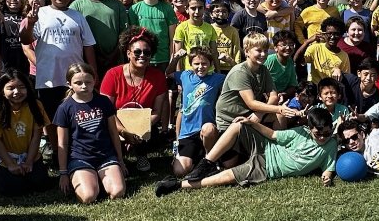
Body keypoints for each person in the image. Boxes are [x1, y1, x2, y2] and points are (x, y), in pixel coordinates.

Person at [157, 105, 339, 195]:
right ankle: (207, 162)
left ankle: (177, 185)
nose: (323, 137)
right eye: (318, 133)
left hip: (267, 167)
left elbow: (328, 167)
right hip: (265, 146)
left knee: (229, 176)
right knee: (239, 125)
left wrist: (327, 177)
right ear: (309, 128)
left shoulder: (330, 145)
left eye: (327, 133)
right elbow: (273, 135)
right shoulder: (300, 132)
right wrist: (251, 122)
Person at [19, 0, 97, 119]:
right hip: (48, 77)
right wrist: (30, 24)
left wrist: (93, 72)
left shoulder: (78, 16)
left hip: (74, 77)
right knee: (50, 117)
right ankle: (54, 135)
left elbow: (88, 46)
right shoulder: (40, 14)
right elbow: (25, 40)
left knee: (75, 116)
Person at [54, 61, 127, 203]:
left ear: (94, 81)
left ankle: (99, 178)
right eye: (78, 83)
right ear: (69, 84)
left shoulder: (103, 102)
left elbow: (114, 133)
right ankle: (89, 178)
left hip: (105, 156)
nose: (84, 86)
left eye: (88, 82)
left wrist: (120, 160)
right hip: (80, 158)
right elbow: (62, 143)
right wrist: (63, 173)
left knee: (118, 192)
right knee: (88, 197)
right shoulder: (64, 108)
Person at [100, 27, 170, 172]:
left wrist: (137, 130)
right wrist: (124, 131)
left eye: (147, 52)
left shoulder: (158, 77)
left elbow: (157, 112)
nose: (142, 55)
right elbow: (106, 110)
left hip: (143, 125)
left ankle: (141, 153)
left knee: (149, 134)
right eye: (137, 52)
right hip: (115, 123)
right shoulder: (112, 75)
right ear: (128, 53)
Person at [0, 70, 52, 196]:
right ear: (2, 90)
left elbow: (36, 136)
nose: (17, 92)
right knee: (14, 188)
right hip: (6, 157)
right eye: (10, 88)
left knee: (40, 183)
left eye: (21, 87)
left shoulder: (36, 105)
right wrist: (10, 164)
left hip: (30, 155)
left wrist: (29, 161)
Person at [215, 32, 300, 130]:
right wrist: (279, 109)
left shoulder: (264, 70)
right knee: (279, 112)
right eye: (259, 51)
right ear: (247, 51)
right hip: (230, 119)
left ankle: (278, 140)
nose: (263, 54)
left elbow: (273, 96)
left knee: (280, 116)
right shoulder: (240, 72)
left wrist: (261, 113)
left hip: (250, 114)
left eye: (265, 51)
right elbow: (251, 103)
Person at [170, 47, 225, 178]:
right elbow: (169, 73)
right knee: (180, 171)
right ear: (191, 64)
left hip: (206, 131)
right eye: (196, 63)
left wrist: (228, 60)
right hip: (188, 133)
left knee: (209, 129)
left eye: (204, 63)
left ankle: (209, 160)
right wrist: (176, 58)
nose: (200, 67)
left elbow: (237, 75)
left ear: (211, 64)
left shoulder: (217, 79)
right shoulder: (185, 76)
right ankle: (192, 157)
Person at [74, 0, 129, 72]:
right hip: (88, 63)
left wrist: (113, 55)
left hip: (115, 61)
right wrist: (92, 57)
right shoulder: (76, 6)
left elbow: (125, 34)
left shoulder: (117, 5)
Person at [129, 0, 180, 70]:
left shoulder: (167, 8)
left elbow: (172, 39)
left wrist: (171, 59)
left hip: (163, 60)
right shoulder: (134, 9)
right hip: (142, 59)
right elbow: (133, 38)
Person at [171, 0, 220, 70]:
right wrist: (179, 74)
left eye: (200, 8)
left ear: (204, 9)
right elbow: (178, 55)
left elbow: (214, 52)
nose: (197, 12)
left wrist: (218, 71)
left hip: (208, 71)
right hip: (190, 71)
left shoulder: (210, 28)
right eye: (193, 8)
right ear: (187, 9)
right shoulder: (181, 28)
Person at [297, 17, 351, 84]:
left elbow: (346, 78)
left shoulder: (344, 56)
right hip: (314, 87)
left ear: (341, 35)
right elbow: (297, 61)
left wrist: (340, 71)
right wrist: (307, 42)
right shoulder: (314, 48)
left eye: (336, 34)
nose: (332, 37)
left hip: (332, 88)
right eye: (329, 33)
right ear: (324, 34)